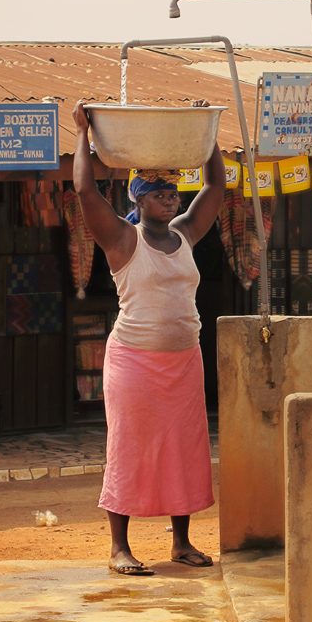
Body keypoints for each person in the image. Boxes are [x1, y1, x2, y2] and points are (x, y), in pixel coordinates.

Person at [72, 99, 226, 576]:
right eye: (159, 193)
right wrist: (81, 133)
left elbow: (217, 185)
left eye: (173, 193)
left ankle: (180, 541)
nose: (171, 199)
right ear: (137, 199)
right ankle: (120, 547)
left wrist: (209, 133)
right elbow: (83, 188)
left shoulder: (185, 235)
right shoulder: (122, 238)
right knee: (130, 447)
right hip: (135, 361)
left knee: (184, 445)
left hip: (183, 360)